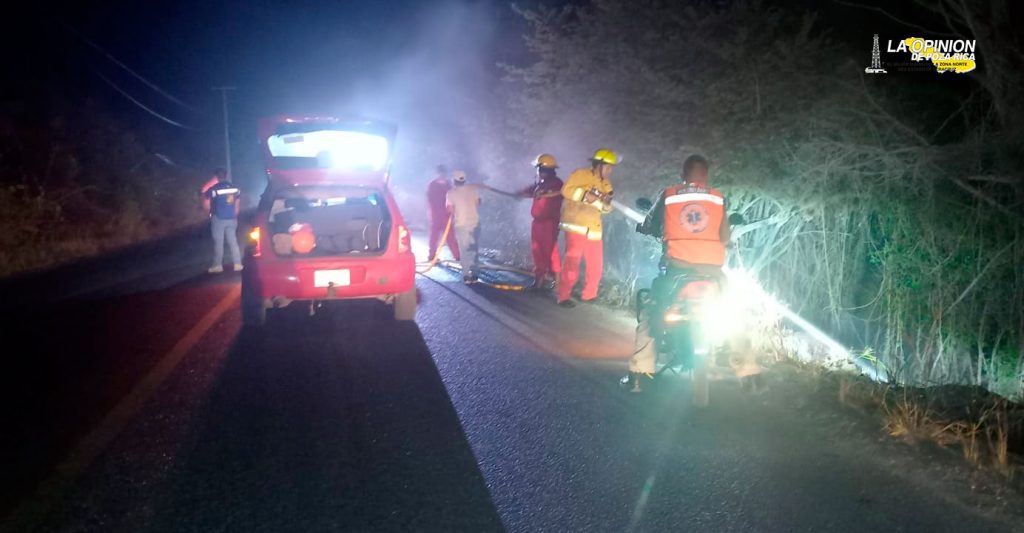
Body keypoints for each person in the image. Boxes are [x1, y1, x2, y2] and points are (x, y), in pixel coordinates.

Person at [623, 154, 732, 391]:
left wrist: (647, 228)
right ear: (707, 176)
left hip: (678, 268)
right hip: (713, 271)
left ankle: (639, 375)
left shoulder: (670, 194)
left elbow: (651, 222)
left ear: (683, 175)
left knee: (651, 314)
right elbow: (725, 237)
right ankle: (743, 365)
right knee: (732, 309)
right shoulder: (718, 198)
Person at [556, 148, 617, 308]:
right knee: (572, 262)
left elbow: (607, 209)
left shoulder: (606, 185)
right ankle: (563, 296)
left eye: (611, 168)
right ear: (599, 165)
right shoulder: (580, 174)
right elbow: (566, 190)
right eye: (608, 167)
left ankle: (589, 295)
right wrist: (584, 195)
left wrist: (606, 204)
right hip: (576, 225)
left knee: (596, 264)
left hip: (594, 228)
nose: (610, 171)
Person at [517, 153, 563, 290]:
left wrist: (544, 193)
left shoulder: (556, 183)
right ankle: (539, 281)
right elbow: (529, 191)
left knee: (551, 252)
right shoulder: (540, 184)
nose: (539, 172)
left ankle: (558, 282)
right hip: (537, 223)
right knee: (537, 251)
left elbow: (559, 192)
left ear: (547, 170)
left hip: (550, 223)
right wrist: (519, 193)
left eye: (540, 169)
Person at [201, 167, 243, 273]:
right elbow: (237, 204)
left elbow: (203, 192)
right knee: (233, 241)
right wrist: (235, 215)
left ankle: (217, 266)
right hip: (232, 218)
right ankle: (238, 264)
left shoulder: (214, 189)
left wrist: (212, 181)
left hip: (218, 218)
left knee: (218, 242)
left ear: (217, 177)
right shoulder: (235, 188)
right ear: (226, 175)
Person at [445, 170, 482, 284]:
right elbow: (478, 202)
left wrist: (458, 210)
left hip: (461, 224)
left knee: (464, 251)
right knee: (474, 249)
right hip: (475, 223)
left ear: (454, 180)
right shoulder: (473, 189)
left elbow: (449, 209)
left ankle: (467, 275)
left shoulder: (451, 193)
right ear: (464, 180)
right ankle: (475, 275)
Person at [426, 165, 460, 262]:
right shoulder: (432, 185)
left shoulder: (448, 185)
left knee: (450, 237)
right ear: (438, 173)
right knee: (434, 237)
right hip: (436, 215)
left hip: (446, 216)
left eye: (443, 173)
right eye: (440, 173)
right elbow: (430, 200)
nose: (442, 175)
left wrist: (452, 210)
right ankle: (432, 256)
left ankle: (457, 256)